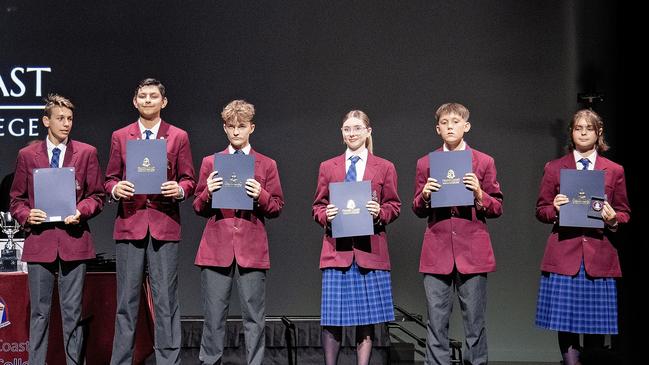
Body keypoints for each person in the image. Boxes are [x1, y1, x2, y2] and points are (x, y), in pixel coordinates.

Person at [105, 78, 196, 365]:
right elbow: (109, 178)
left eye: (153, 96)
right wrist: (114, 189)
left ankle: (168, 361)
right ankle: (121, 360)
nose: (147, 100)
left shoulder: (178, 136)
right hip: (130, 223)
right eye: (142, 96)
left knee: (166, 301)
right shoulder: (121, 136)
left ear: (163, 102)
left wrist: (180, 189)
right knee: (126, 302)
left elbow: (189, 179)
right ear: (135, 101)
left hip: (163, 223)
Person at [9, 94, 105, 364]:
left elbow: (97, 196)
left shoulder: (86, 153)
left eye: (70, 119)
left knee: (73, 312)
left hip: (74, 242)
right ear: (46, 121)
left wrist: (80, 211)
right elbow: (16, 200)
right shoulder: (27, 155)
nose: (66, 124)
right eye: (60, 118)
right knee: (39, 313)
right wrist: (28, 215)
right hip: (40, 243)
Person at [534, 109, 630, 365]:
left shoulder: (614, 170)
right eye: (578, 128)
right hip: (565, 254)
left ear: (599, 133)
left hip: (599, 257)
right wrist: (553, 209)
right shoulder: (555, 168)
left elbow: (624, 213)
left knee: (596, 329)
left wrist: (613, 220)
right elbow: (540, 210)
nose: (584, 132)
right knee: (565, 324)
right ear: (572, 133)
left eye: (589, 127)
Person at [192, 99, 284, 365]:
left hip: (251, 249)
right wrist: (208, 190)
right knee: (213, 315)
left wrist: (261, 195)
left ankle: (254, 362)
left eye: (241, 126)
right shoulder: (211, 162)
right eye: (231, 127)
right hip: (216, 248)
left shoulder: (266, 164)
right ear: (224, 128)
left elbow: (277, 206)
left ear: (251, 128)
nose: (235, 132)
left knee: (254, 315)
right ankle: (210, 361)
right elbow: (197, 206)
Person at [412, 102, 503, 365]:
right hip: (437, 252)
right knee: (436, 323)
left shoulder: (483, 162)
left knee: (475, 323)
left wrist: (479, 194)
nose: (450, 126)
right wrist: (425, 196)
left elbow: (497, 206)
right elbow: (417, 208)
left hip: (473, 254)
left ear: (466, 126)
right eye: (444, 123)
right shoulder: (425, 163)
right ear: (437, 128)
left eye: (455, 122)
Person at [312, 110, 400, 365]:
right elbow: (317, 206)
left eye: (357, 128)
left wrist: (379, 212)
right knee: (332, 320)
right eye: (347, 129)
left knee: (365, 320)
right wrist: (325, 214)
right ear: (342, 133)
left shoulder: (384, 167)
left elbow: (394, 205)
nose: (352, 133)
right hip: (336, 251)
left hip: (369, 252)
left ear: (368, 131)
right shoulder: (328, 167)